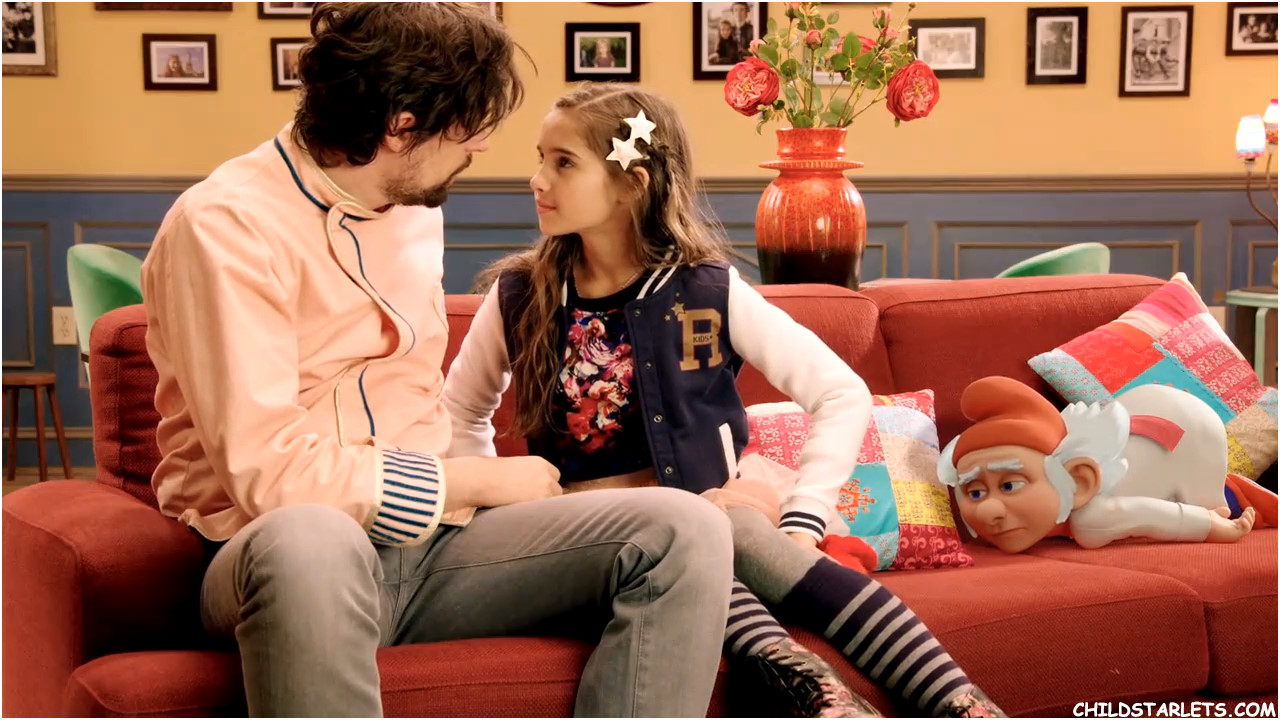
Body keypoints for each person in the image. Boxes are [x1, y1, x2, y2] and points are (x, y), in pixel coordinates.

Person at [139, 5, 735, 717]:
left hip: (437, 549)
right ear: (401, 127)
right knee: (311, 537)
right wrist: (476, 477)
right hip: (273, 554)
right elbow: (269, 475)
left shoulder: (415, 205)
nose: (481, 145)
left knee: (685, 530)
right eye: (468, 127)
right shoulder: (223, 227)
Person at [441, 82, 1007, 719]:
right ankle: (818, 691)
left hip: (707, 520)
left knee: (727, 534)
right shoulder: (519, 295)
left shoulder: (708, 291)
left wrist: (804, 521)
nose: (537, 179)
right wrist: (495, 506)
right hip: (586, 536)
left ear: (632, 185)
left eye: (563, 162)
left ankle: (960, 705)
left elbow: (840, 393)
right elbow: (461, 410)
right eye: (540, 158)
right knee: (690, 544)